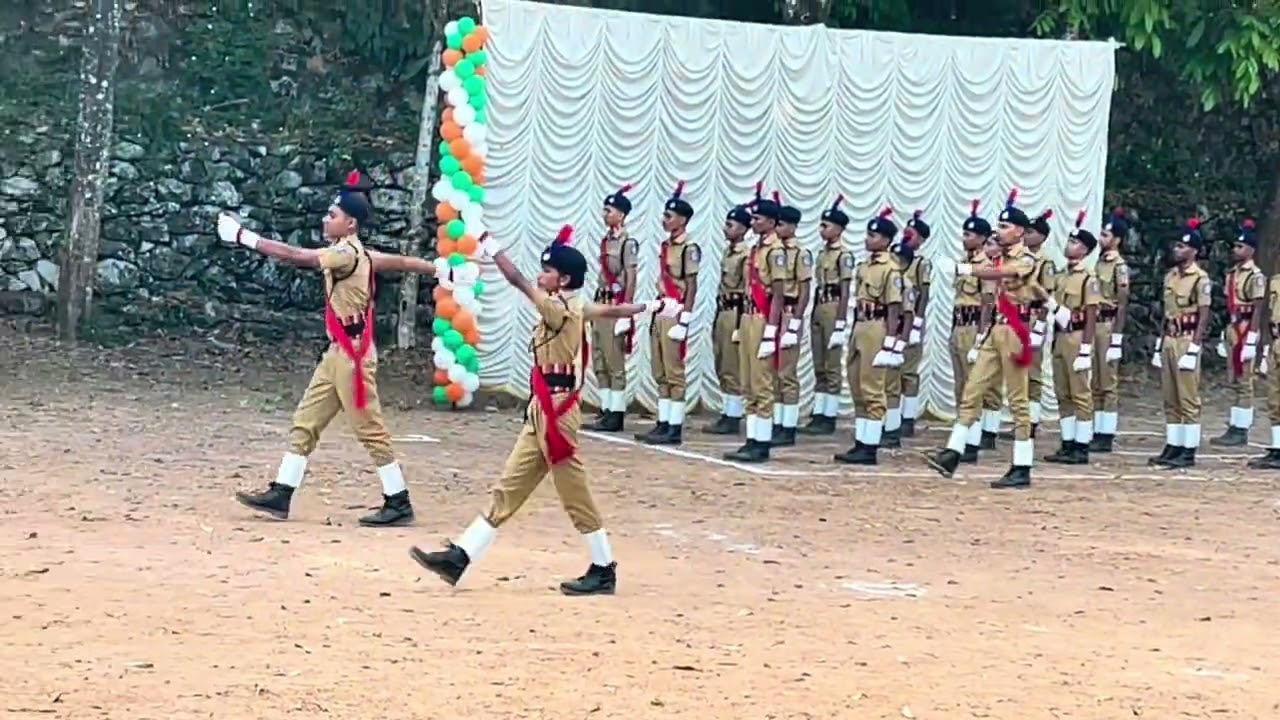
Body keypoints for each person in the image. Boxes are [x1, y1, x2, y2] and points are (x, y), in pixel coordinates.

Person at [408, 226, 664, 595]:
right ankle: (459, 557)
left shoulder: (558, 306)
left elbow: (515, 279)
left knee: (575, 493)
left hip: (557, 411)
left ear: (564, 278)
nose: (540, 276)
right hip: (542, 408)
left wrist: (492, 246)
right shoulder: (574, 305)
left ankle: (604, 567)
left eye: (547, 271)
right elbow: (610, 310)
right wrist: (649, 307)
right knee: (508, 488)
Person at [217, 172, 436, 526]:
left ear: (349, 223)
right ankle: (282, 493)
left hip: (352, 356)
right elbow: (400, 261)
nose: (325, 219)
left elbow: (296, 256)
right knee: (305, 422)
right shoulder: (358, 252)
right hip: (337, 353)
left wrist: (246, 238)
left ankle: (398, 500)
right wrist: (440, 269)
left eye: (332, 215)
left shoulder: (344, 253)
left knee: (370, 429)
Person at [926, 189, 1041, 489]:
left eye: (1005, 227)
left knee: (1017, 401)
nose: (1000, 231)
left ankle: (1022, 465)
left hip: (1016, 330)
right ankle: (953, 452)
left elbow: (1003, 273)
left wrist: (963, 267)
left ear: (1019, 231)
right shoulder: (998, 258)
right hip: (997, 330)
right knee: (972, 390)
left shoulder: (1025, 259)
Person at [834, 207, 904, 465]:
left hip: (877, 327)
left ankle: (871, 447)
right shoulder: (864, 266)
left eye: (874, 236)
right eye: (868, 234)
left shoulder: (891, 270)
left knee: (873, 389)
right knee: (857, 386)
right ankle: (861, 442)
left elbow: (895, 307)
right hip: (860, 326)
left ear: (886, 241)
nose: (868, 239)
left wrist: (890, 342)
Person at [724, 184, 788, 462]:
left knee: (762, 383)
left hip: (764, 319)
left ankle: (762, 442)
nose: (754, 222)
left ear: (772, 223)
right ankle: (751, 438)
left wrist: (772, 330)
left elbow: (778, 293)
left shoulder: (775, 251)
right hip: (749, 317)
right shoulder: (755, 249)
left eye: (759, 219)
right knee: (748, 381)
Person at [635, 181, 700, 446]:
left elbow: (692, 285)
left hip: (676, 310)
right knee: (659, 369)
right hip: (661, 309)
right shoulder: (667, 245)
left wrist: (685, 319)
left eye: (669, 216)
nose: (664, 220)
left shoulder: (689, 248)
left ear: (682, 220)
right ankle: (663, 422)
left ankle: (675, 427)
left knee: (674, 371)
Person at [1148, 218, 1211, 469]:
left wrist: (1195, 347)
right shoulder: (1170, 276)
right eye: (1176, 246)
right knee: (1170, 396)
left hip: (1186, 339)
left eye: (1182, 247)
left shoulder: (1200, 278)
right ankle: (1173, 445)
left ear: (1194, 251)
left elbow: (1204, 314)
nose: (1177, 250)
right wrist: (1158, 344)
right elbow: (1167, 312)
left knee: (1188, 397)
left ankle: (1188, 449)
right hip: (1170, 338)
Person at [1044, 212, 1101, 464]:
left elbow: (1090, 315)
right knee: (1063, 393)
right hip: (1060, 336)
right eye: (1069, 241)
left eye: (1076, 243)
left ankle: (1082, 445)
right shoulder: (1061, 275)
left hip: (1078, 336)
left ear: (1085, 250)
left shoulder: (1088, 278)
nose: (1070, 245)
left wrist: (1086, 348)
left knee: (1080, 394)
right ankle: (1067, 443)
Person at [585, 183, 639, 433]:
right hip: (601, 302)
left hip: (615, 307)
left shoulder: (628, 243)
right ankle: (605, 409)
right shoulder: (606, 241)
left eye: (609, 210)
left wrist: (625, 312)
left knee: (613, 360)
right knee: (599, 359)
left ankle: (616, 414)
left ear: (622, 214)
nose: (605, 215)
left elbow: (630, 276)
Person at [946, 201, 996, 463]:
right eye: (964, 233)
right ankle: (963, 438)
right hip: (959, 326)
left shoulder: (985, 266)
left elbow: (988, 302)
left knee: (971, 388)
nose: (964, 238)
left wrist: (981, 337)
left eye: (970, 234)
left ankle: (972, 443)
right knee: (960, 386)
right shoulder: (964, 263)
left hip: (973, 327)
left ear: (982, 238)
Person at [801, 195, 854, 435]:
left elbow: (844, 291)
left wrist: (841, 323)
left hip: (833, 307)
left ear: (839, 229)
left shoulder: (844, 255)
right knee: (819, 364)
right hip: (819, 306)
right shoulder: (822, 254)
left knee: (832, 365)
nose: (822, 229)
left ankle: (829, 416)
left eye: (826, 225)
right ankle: (819, 412)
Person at [1209, 218, 1265, 447]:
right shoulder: (1232, 273)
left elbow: (1258, 307)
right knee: (1234, 378)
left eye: (1240, 246)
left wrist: (1251, 338)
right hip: (1233, 327)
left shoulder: (1255, 275)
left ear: (1251, 250)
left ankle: (1241, 428)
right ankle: (1234, 424)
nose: (1235, 250)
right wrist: (1225, 332)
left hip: (1245, 329)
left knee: (1245, 381)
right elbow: (1229, 305)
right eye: (1235, 246)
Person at [703, 204, 752, 435]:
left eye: (731, 225)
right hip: (723, 310)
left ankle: (733, 416)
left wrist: (741, 324)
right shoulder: (728, 252)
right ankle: (727, 412)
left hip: (735, 311)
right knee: (722, 362)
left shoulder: (746, 254)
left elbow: (747, 290)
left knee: (732, 365)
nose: (726, 229)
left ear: (743, 229)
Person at [1088, 208, 1131, 453]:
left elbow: (1122, 302)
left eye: (1106, 235)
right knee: (1095, 380)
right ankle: (1096, 428)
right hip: (1095, 323)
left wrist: (1117, 338)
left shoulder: (1119, 266)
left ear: (1116, 239)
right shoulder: (1099, 262)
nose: (1101, 239)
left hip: (1107, 324)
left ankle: (1106, 433)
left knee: (1108, 381)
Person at [771, 201, 811, 446]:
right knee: (773, 373)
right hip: (773, 314)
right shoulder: (773, 251)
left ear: (793, 227)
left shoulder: (800, 254)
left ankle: (789, 427)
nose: (778, 228)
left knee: (787, 373)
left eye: (782, 224)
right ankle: (776, 422)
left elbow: (805, 291)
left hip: (789, 312)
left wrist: (795, 323)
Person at [895, 210, 931, 439]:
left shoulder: (920, 263)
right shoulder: (895, 257)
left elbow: (923, 293)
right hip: (893, 319)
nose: (909, 237)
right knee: (892, 372)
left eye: (913, 234)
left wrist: (917, 322)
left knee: (908, 372)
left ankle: (907, 418)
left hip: (911, 320)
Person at [1247, 267, 1280, 469]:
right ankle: (1278, 448)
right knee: (1275, 399)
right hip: (1277, 342)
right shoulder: (1276, 280)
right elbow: (1271, 317)